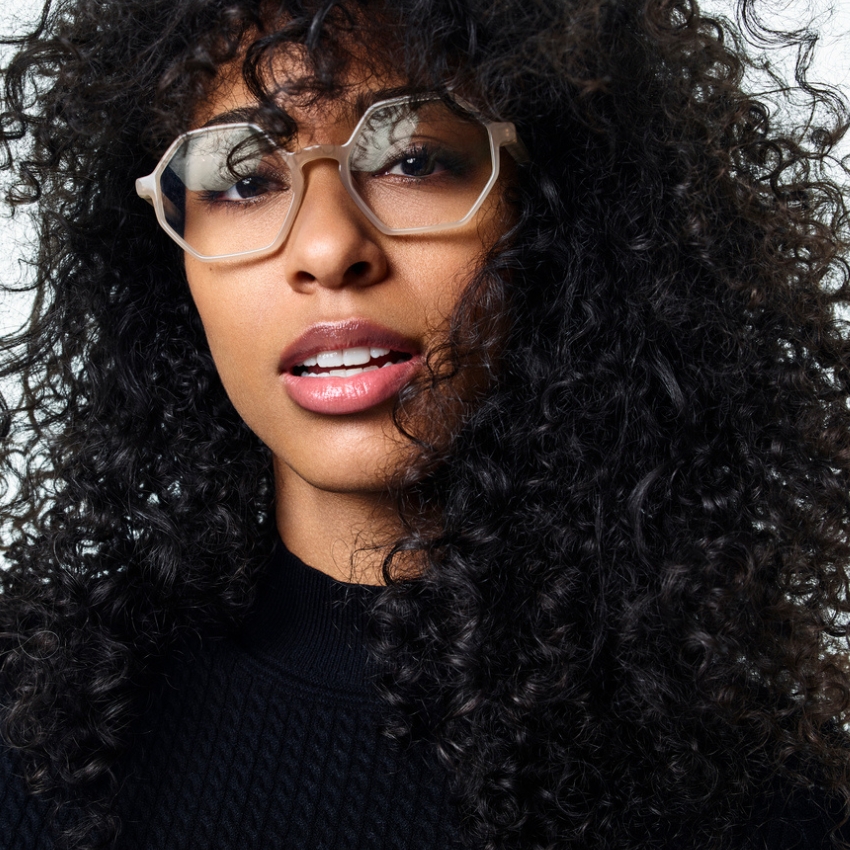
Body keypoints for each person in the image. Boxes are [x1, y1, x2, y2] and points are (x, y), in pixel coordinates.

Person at [0, 0, 849, 847]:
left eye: (412, 160)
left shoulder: (761, 796)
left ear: (555, 213)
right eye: (245, 179)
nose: (329, 248)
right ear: (170, 263)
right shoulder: (34, 722)